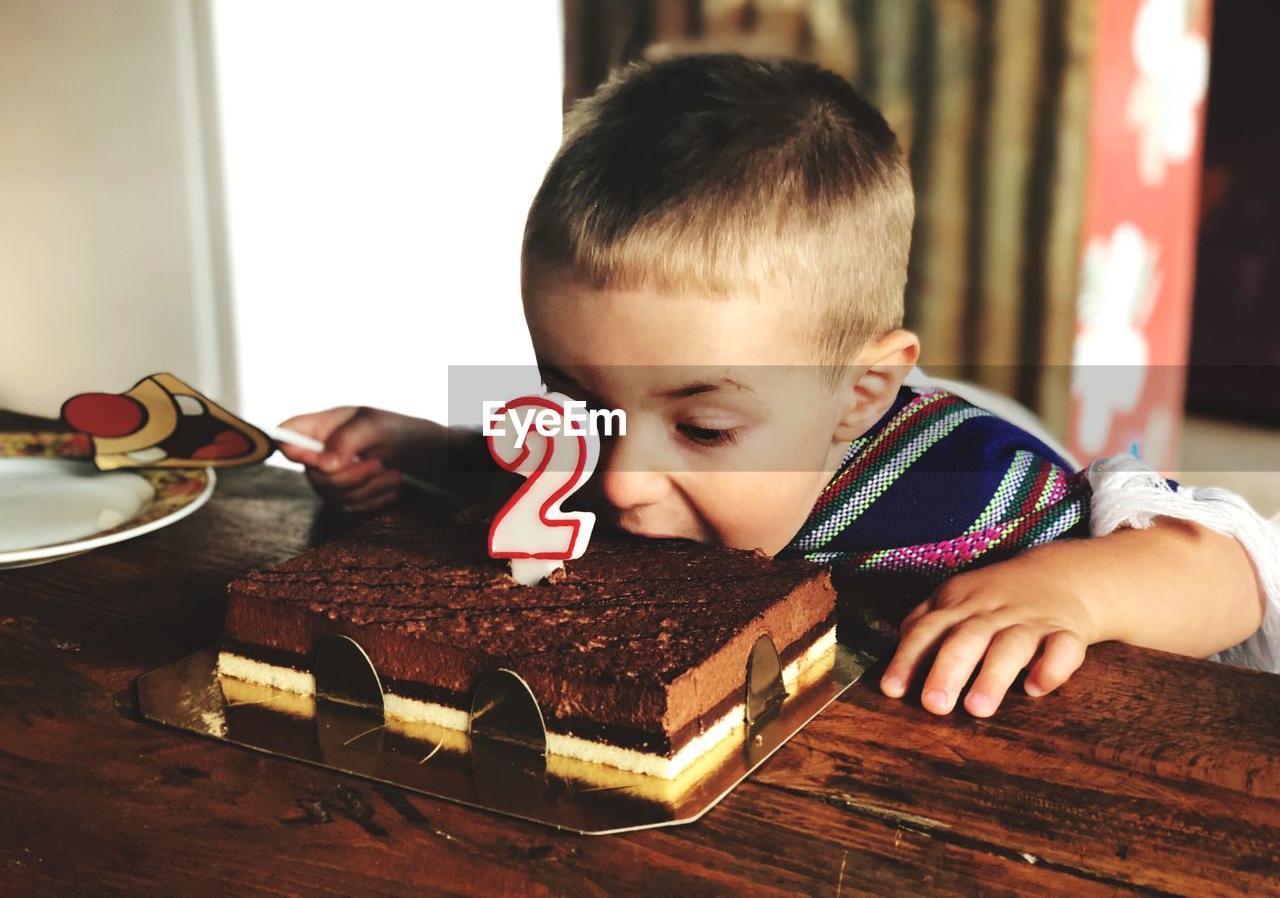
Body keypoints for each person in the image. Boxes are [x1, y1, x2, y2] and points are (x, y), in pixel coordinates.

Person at [279, 54, 1275, 719]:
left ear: (858, 394)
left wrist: (1071, 590)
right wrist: (418, 453)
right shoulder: (632, 455)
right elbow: (543, 493)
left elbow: (1237, 575)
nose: (621, 478)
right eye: (583, 403)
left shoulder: (980, 490)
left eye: (703, 428)